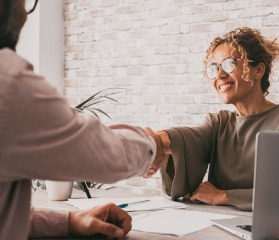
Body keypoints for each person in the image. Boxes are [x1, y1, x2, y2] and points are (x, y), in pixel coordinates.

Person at [0, 1, 164, 239]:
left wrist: (69, 221)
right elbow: (108, 156)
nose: (25, 14)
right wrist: (153, 143)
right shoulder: (8, 85)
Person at [144, 27, 279, 211]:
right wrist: (157, 141)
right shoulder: (219, 124)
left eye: (229, 64)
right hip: (217, 225)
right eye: (214, 68)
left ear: (258, 70)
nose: (220, 75)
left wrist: (223, 196)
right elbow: (188, 138)